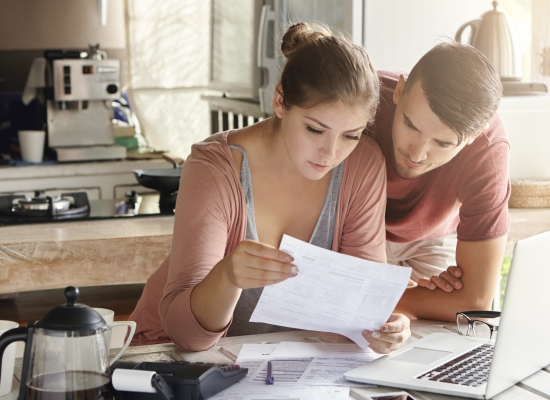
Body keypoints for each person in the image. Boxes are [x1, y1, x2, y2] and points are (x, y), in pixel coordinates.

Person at [129, 22, 410, 354]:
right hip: (171, 359)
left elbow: (356, 309)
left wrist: (384, 327)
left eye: (350, 135)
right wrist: (227, 277)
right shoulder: (214, 168)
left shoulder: (363, 165)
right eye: (315, 130)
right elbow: (187, 338)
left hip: (278, 365)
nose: (330, 153)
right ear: (280, 102)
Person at [364, 42, 510, 322]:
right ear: (399, 90)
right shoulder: (363, 98)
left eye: (442, 143)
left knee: (445, 336)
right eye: (410, 125)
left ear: (473, 136)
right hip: (355, 230)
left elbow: (475, 303)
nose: (416, 154)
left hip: (431, 238)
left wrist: (376, 297)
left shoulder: (488, 150)